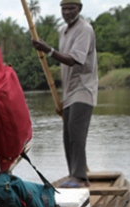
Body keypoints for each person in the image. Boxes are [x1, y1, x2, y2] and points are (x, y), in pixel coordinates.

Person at [31, 0, 97, 188]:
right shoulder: (63, 31)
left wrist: (48, 50)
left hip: (83, 89)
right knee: (68, 136)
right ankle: (74, 174)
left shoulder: (85, 29)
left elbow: (73, 60)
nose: (67, 12)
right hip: (69, 92)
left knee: (77, 133)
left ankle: (80, 177)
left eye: (71, 8)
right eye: (64, 9)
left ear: (80, 9)